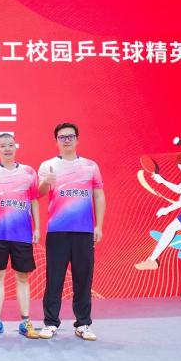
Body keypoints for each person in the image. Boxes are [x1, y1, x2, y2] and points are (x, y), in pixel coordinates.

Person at [36, 123, 105, 342]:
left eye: (70, 136)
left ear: (77, 139)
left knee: (83, 278)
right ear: (56, 141)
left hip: (84, 231)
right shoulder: (48, 165)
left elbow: (99, 195)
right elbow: (39, 193)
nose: (67, 140)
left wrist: (99, 226)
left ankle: (83, 324)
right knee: (54, 278)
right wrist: (46, 182)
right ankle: (50, 323)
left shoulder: (90, 166)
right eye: (62, 137)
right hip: (58, 231)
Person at [0, 133, 41, 339]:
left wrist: (37, 227)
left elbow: (34, 200)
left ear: (15, 147)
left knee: (22, 277)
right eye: (2, 146)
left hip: (22, 233)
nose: (7, 149)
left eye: (10, 145)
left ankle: (26, 322)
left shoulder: (28, 172)